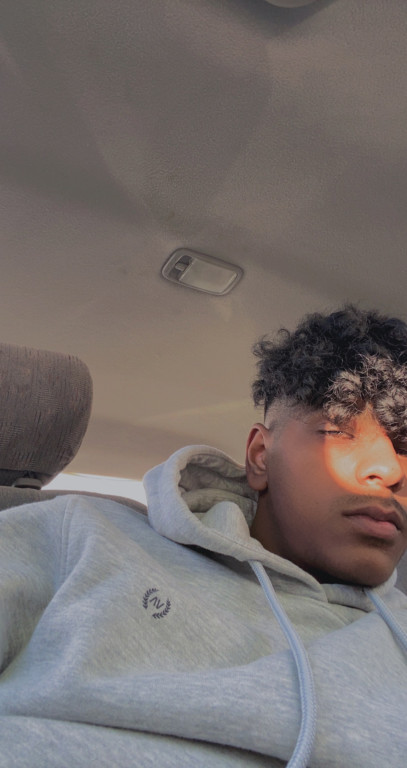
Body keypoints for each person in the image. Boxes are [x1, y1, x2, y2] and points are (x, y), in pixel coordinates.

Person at [0, 305, 406, 768]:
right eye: (339, 431)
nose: (390, 469)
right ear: (260, 456)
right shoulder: (80, 535)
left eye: (406, 447)